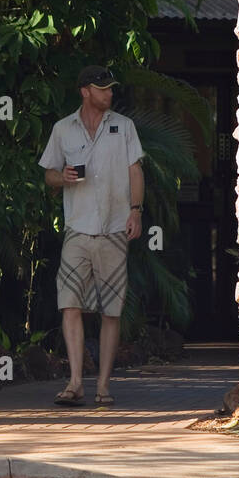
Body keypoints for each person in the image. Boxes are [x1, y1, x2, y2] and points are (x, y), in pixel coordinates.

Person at [39, 65, 145, 406]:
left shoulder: (123, 127)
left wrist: (136, 210)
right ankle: (74, 382)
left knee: (111, 309)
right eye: (103, 88)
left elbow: (135, 169)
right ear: (85, 91)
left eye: (111, 88)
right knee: (69, 304)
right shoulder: (62, 129)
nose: (109, 93)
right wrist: (63, 178)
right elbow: (48, 176)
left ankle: (102, 386)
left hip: (114, 227)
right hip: (77, 229)